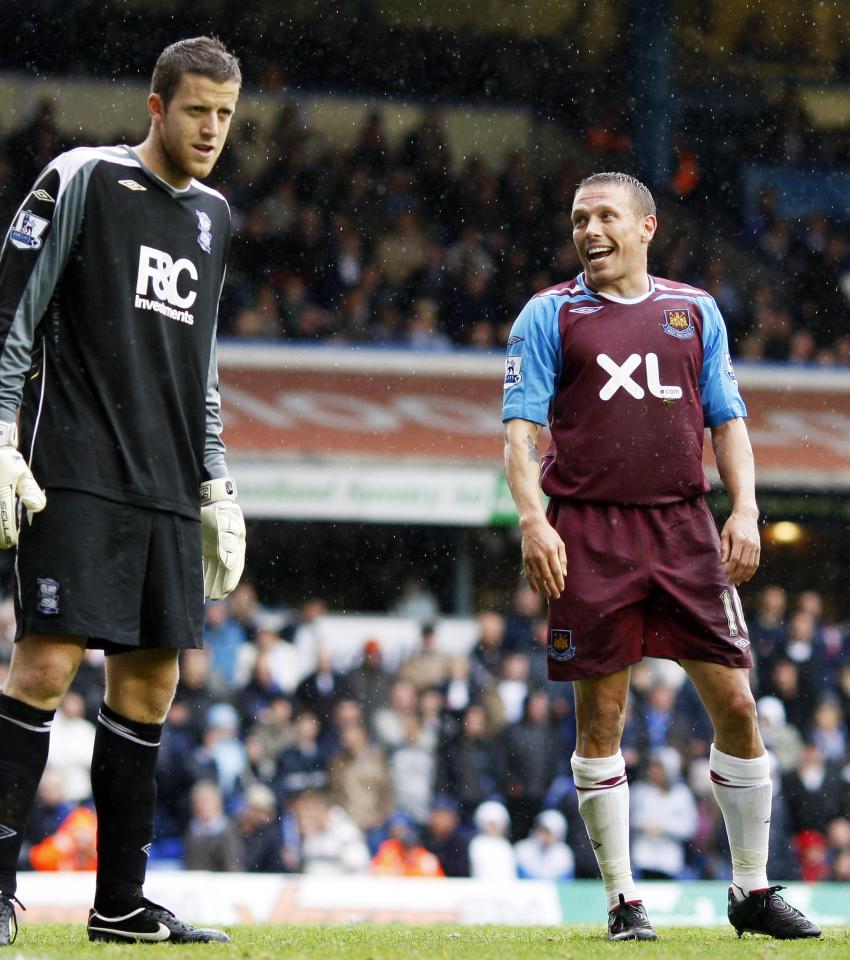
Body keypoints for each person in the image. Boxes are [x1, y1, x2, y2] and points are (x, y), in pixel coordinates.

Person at [502, 171, 818, 942]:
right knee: (600, 721)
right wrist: (533, 521)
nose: (589, 230)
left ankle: (751, 889)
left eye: (605, 216)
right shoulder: (549, 315)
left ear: (646, 227)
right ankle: (622, 900)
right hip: (588, 533)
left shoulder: (694, 310)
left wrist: (744, 507)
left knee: (739, 707)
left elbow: (728, 420)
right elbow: (520, 432)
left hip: (682, 529)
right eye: (579, 219)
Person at [0, 37, 247, 946]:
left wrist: (216, 479)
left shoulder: (215, 216)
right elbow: (10, 319)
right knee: (49, 665)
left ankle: (121, 907)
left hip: (169, 482)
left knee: (149, 686)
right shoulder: (83, 179)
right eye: (196, 111)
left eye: (225, 115)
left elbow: (204, 366)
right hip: (76, 466)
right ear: (156, 106)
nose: (211, 129)